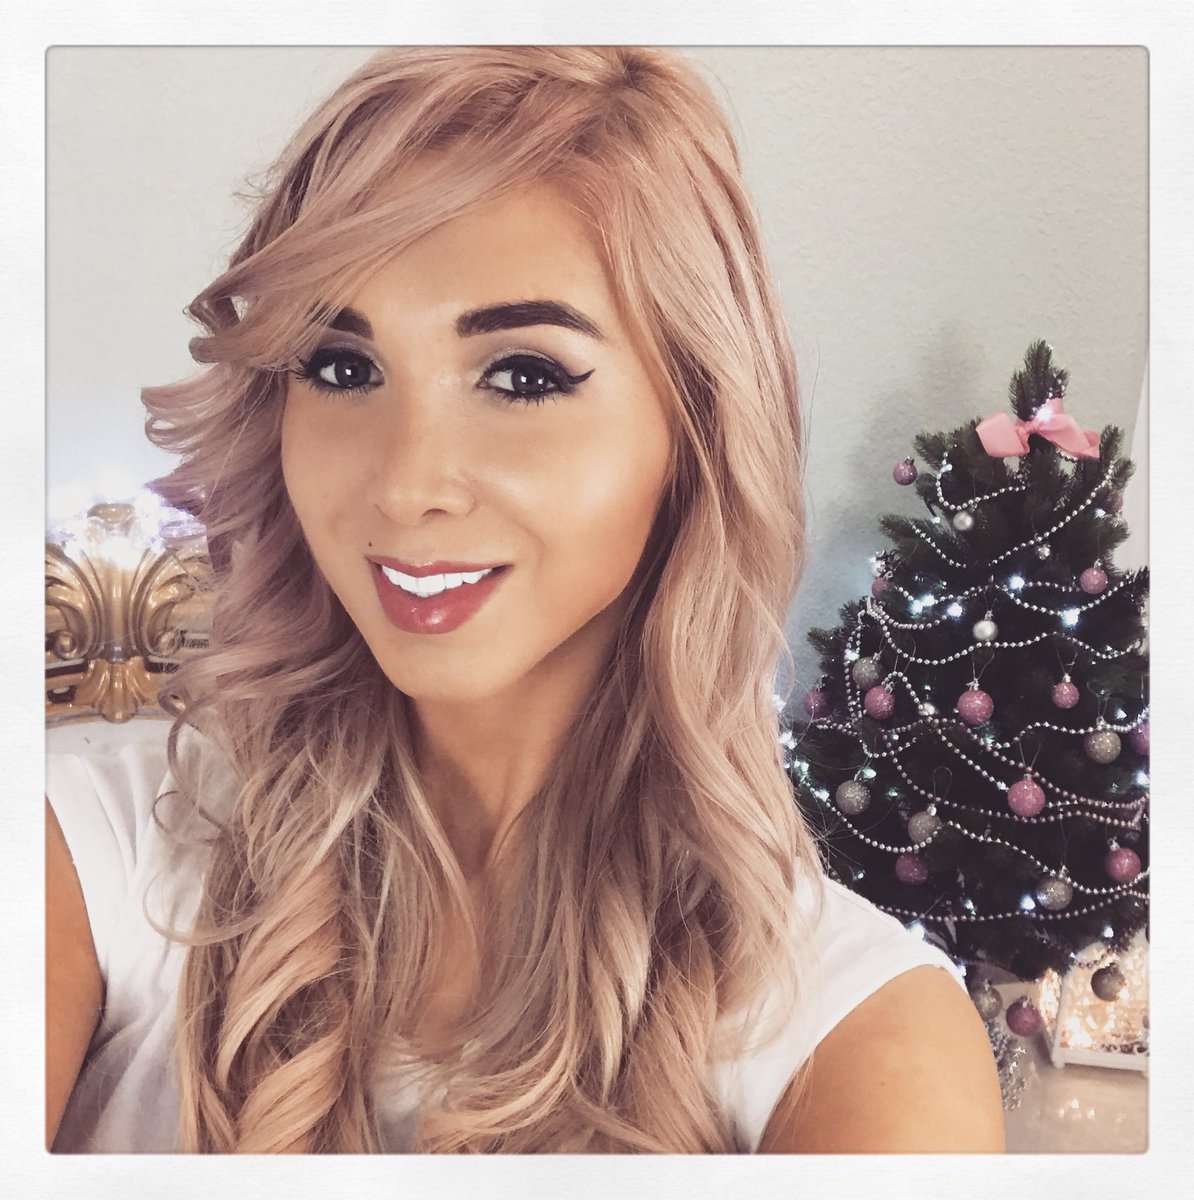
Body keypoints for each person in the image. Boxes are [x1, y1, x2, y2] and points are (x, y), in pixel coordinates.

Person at [45, 45, 1006, 1154]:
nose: (406, 484)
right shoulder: (90, 854)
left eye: (522, 375)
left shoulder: (861, 1042)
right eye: (343, 367)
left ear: (695, 427)